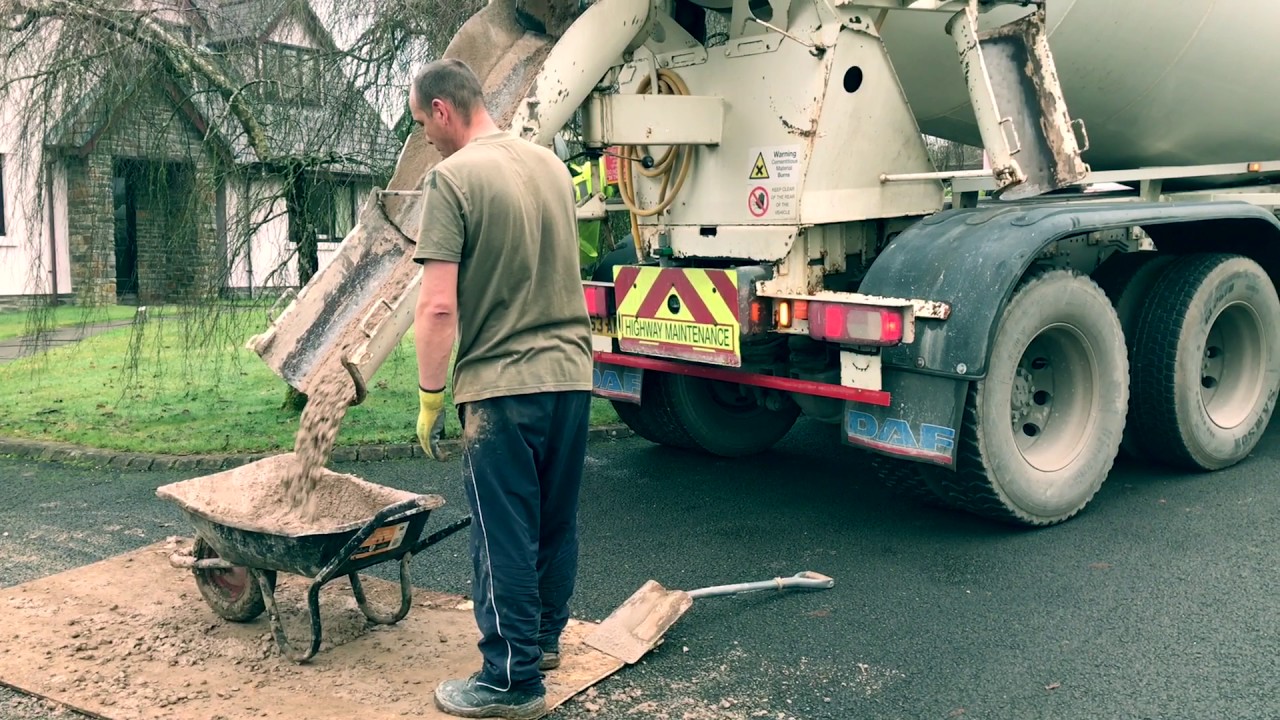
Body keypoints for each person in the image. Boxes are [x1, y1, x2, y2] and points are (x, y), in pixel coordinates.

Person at [408, 58, 595, 720]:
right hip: (572, 375)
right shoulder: (551, 167)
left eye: (421, 124)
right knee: (553, 518)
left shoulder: (452, 178)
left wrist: (431, 396)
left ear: (442, 110)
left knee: (503, 532)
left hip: (502, 388)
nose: (425, 137)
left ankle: (511, 680)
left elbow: (437, 306)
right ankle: (541, 641)